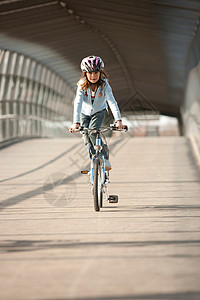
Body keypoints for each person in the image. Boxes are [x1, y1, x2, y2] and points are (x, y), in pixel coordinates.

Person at [69, 55, 125, 171]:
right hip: (84, 113)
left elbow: (112, 102)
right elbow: (78, 103)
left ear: (100, 73)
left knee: (93, 132)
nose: (93, 76)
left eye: (96, 73)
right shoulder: (81, 85)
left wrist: (118, 120)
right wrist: (76, 123)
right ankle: (93, 163)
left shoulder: (105, 85)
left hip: (99, 111)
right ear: (85, 74)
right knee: (86, 138)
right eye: (90, 73)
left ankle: (104, 158)